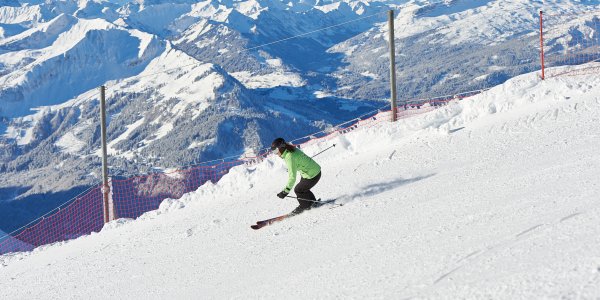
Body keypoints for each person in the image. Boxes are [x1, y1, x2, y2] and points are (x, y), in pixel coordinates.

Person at [271, 137, 321, 215]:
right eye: (274, 151)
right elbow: (298, 160)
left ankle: (304, 206)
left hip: (312, 175)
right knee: (303, 188)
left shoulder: (289, 157)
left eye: (276, 151)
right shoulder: (291, 149)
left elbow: (292, 178)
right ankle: (312, 203)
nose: (276, 154)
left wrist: (285, 192)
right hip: (312, 171)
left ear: (281, 148)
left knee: (298, 190)